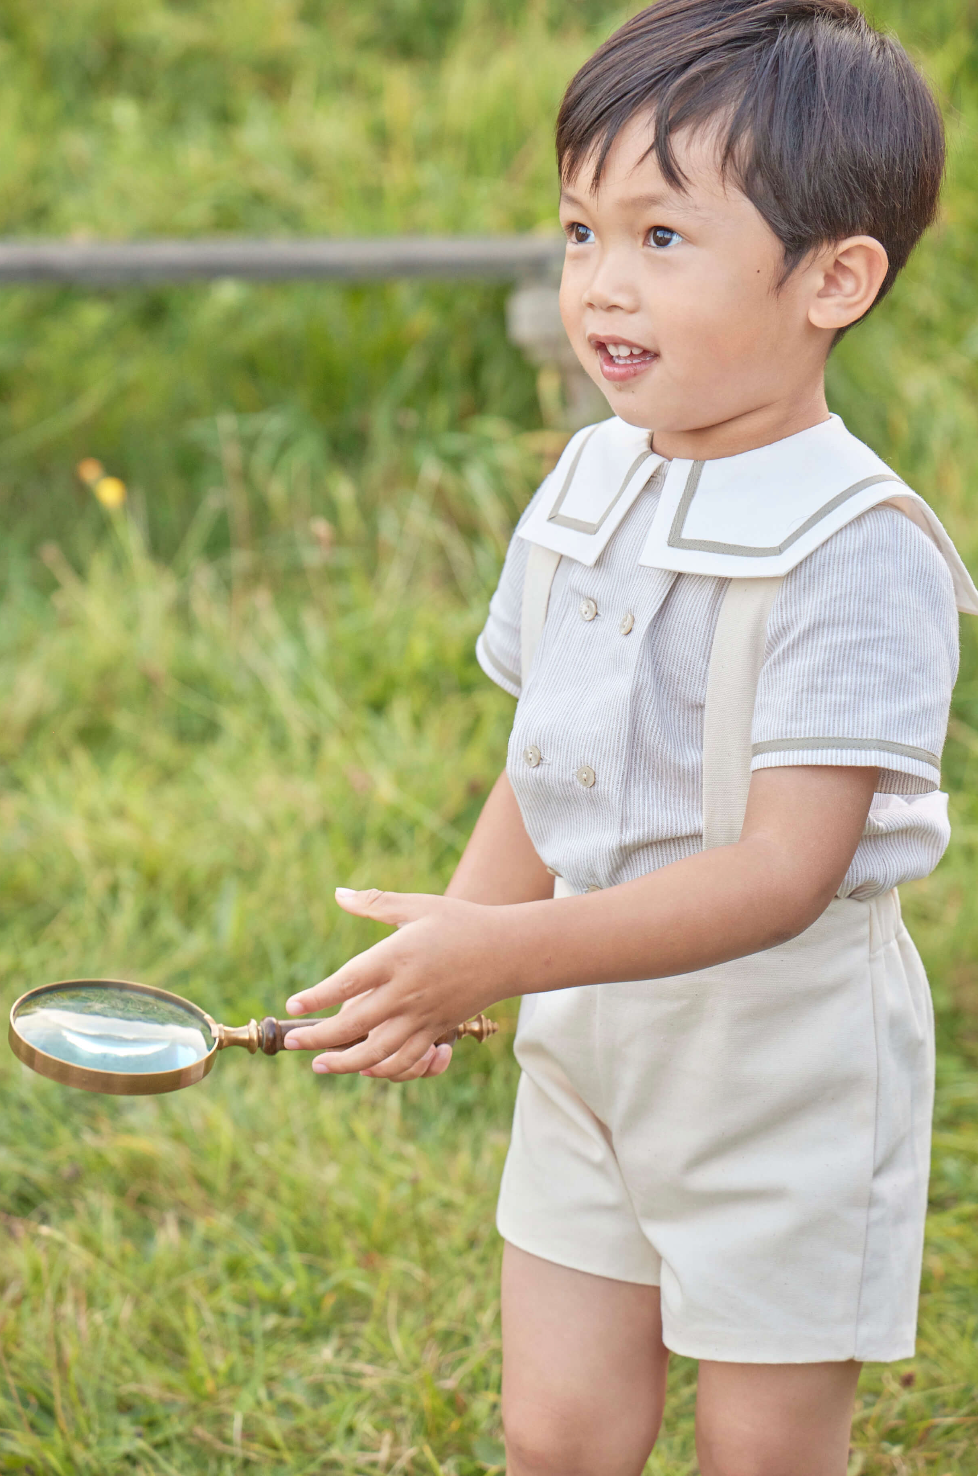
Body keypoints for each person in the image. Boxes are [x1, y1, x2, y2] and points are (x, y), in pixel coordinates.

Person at [283, 3, 978, 1472]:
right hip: (585, 1030)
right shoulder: (593, 477)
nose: (602, 284)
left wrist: (505, 954)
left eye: (662, 240)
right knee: (553, 1433)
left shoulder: (858, 549)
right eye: (578, 231)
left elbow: (785, 870)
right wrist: (453, 955)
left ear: (834, 280)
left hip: (780, 1062)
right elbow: (548, 752)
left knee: (761, 1452)